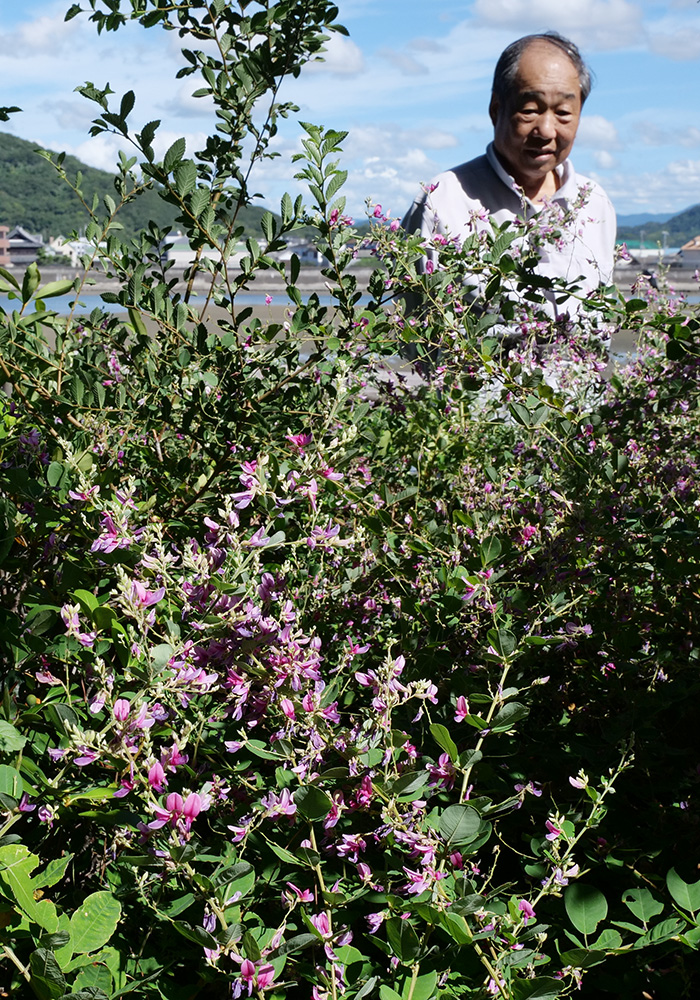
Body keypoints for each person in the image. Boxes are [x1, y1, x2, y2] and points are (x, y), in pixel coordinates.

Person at [402, 32, 616, 324]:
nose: (547, 130)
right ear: (496, 109)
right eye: (529, 110)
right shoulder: (443, 201)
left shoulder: (594, 204)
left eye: (564, 112)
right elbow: (418, 333)